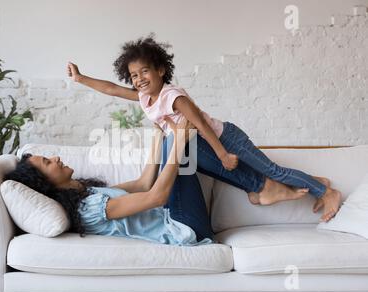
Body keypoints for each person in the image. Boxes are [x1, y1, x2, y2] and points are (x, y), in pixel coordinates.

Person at [66, 33, 341, 222]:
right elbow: (112, 89)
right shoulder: (144, 97)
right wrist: (80, 78)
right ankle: (313, 184)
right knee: (265, 177)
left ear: (161, 70)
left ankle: (326, 192)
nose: (139, 79)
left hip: (226, 137)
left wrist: (222, 153)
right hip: (203, 145)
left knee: (272, 170)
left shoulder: (173, 96)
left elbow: (198, 123)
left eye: (145, 72)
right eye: (134, 75)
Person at [3, 118, 311, 245]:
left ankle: (259, 188)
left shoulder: (86, 190)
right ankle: (259, 187)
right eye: (47, 162)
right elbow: (156, 196)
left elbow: (142, 182)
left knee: (182, 143)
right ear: (46, 183)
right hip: (186, 228)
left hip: (180, 215)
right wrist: (176, 142)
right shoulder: (90, 208)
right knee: (186, 144)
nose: (55, 158)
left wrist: (160, 137)